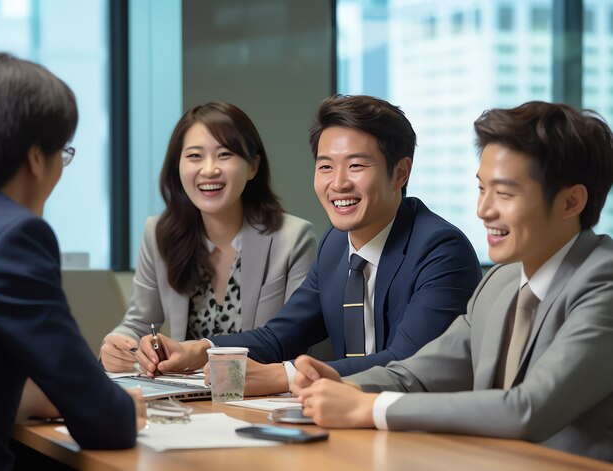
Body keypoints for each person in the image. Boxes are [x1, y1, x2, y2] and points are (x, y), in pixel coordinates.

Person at [292, 101, 613, 462]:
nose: (483, 210)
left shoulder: (604, 282)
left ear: (571, 201)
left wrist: (371, 408)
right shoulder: (502, 282)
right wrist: (339, 385)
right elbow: (414, 375)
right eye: (481, 189)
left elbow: (527, 409)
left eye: (504, 193)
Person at [136, 94, 482, 395]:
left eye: (357, 166)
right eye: (326, 166)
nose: (338, 183)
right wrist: (199, 350)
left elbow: (407, 362)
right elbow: (280, 336)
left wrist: (283, 376)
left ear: (401, 173)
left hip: (424, 433)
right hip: (349, 420)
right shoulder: (335, 244)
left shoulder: (440, 249)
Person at [0, 53, 145, 471]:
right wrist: (115, 407)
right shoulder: (15, 237)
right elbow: (105, 422)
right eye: (64, 152)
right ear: (36, 158)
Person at [101, 101, 316, 372]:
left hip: (259, 394)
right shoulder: (159, 234)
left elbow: (293, 338)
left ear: (252, 167)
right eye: (194, 156)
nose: (209, 169)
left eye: (225, 154)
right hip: (183, 397)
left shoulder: (293, 238)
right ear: (177, 167)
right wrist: (121, 345)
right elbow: (139, 323)